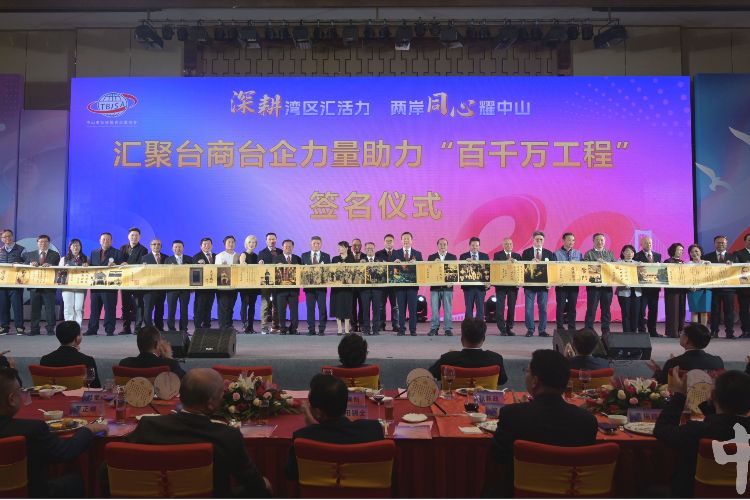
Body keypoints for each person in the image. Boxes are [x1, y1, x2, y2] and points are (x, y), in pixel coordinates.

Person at [121, 368, 271, 497]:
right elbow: (255, 485)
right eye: (221, 393)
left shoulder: (147, 426)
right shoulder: (228, 437)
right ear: (211, 403)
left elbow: (113, 466)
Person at [488, 350, 597, 498]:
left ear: (535, 381)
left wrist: (520, 409)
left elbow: (498, 456)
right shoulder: (587, 421)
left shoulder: (512, 414)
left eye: (527, 371)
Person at [0, 366, 107, 497]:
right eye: (20, 392)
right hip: (33, 494)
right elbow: (66, 451)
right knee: (78, 481)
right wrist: (88, 430)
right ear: (11, 399)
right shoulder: (32, 430)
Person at [654, 368, 750, 498]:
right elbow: (724, 420)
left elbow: (662, 430)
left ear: (713, 395)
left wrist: (680, 395)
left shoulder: (698, 431)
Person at [285, 374, 384, 481]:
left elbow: (291, 474)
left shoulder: (302, 438)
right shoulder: (374, 430)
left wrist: (312, 428)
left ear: (318, 412)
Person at [428, 318, 508, 384]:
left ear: (462, 339)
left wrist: (452, 355)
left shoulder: (448, 359)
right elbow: (502, 381)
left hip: (454, 399)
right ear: (483, 339)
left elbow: (429, 376)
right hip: (484, 399)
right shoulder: (495, 359)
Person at [646, 322, 724, 384]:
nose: (680, 335)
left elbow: (661, 384)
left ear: (686, 339)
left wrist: (657, 371)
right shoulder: (717, 361)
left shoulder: (674, 363)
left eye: (682, 333)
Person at [40, 320, 101, 388]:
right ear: (77, 338)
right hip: (79, 394)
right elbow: (96, 388)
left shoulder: (45, 360)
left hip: (55, 394)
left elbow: (43, 388)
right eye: (80, 333)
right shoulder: (87, 361)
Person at [84, 232, 120, 337]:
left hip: (110, 286)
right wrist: (86, 264)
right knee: (94, 309)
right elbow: (91, 266)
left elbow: (122, 267)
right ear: (100, 241)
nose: (105, 241)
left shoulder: (117, 253)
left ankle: (109, 330)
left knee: (109, 309)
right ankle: (92, 329)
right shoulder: (94, 252)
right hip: (96, 285)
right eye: (103, 239)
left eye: (108, 239)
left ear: (111, 241)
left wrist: (116, 265)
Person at [23, 235, 60, 336]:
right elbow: (24, 266)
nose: (43, 244)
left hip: (49, 286)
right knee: (35, 309)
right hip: (34, 286)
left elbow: (58, 267)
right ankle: (34, 329)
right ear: (37, 243)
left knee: (50, 308)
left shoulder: (55, 254)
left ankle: (50, 329)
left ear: (49, 243)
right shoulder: (30, 254)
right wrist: (30, 264)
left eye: (45, 242)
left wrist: (51, 266)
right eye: (40, 242)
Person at [521, 231, 556, 337]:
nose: (539, 241)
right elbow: (522, 268)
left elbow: (552, 270)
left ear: (543, 241)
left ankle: (542, 330)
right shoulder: (526, 252)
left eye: (541, 239)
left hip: (543, 285)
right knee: (528, 308)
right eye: (537, 239)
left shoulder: (549, 253)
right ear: (533, 240)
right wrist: (529, 263)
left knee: (543, 308)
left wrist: (551, 283)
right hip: (529, 285)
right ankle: (530, 329)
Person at [118, 326, 186, 379]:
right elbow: (186, 381)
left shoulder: (124, 364)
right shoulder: (170, 365)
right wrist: (169, 358)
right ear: (156, 345)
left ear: (138, 344)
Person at [703, 235, 736, 339]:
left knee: (729, 312)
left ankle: (729, 332)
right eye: (718, 242)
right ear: (714, 244)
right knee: (714, 312)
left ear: (726, 244)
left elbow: (738, 273)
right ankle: (714, 331)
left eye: (723, 242)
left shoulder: (733, 257)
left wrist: (732, 266)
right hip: (714, 289)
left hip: (729, 289)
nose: (721, 244)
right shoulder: (707, 257)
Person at [583, 233, 615, 336]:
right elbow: (585, 269)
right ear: (593, 241)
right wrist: (596, 264)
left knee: (606, 310)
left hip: (607, 286)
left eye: (602, 240)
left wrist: (607, 264)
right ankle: (588, 330)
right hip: (593, 286)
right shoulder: (589, 253)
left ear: (604, 242)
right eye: (597, 240)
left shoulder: (610, 254)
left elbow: (615, 268)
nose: (599, 242)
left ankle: (606, 330)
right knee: (591, 309)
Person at [118, 227, 148, 335]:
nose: (134, 237)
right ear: (128, 236)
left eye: (136, 235)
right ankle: (126, 328)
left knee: (138, 305)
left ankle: (137, 328)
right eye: (132, 235)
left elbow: (141, 264)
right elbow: (119, 261)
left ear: (139, 237)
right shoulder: (122, 248)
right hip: (125, 280)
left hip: (137, 280)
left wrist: (128, 264)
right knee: (125, 305)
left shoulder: (143, 249)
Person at [394, 231, 423, 336]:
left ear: (411, 240)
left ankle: (413, 330)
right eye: (404, 239)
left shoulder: (418, 254)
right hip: (400, 286)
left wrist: (417, 263)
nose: (406, 240)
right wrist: (394, 263)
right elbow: (392, 270)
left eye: (408, 238)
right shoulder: (395, 253)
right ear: (401, 241)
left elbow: (422, 269)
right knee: (401, 309)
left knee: (412, 309)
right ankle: (401, 329)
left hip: (412, 286)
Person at [301, 236, 330, 336]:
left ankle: (322, 329)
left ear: (321, 244)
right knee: (310, 309)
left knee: (322, 309)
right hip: (309, 288)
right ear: (310, 244)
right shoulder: (304, 256)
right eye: (314, 243)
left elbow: (328, 271)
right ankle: (311, 329)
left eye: (318, 243)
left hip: (321, 288)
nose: (316, 245)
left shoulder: (326, 256)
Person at [554, 232, 583, 332]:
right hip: (561, 285)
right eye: (569, 240)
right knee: (560, 307)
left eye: (573, 240)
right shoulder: (556, 254)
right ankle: (560, 327)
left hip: (573, 285)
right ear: (563, 240)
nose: (571, 242)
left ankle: (572, 327)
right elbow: (553, 269)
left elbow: (582, 268)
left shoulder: (578, 254)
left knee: (572, 307)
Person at [428, 238, 457, 336]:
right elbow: (428, 272)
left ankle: (447, 329)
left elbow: (455, 272)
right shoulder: (431, 257)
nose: (442, 246)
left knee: (448, 309)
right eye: (440, 244)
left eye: (444, 244)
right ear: (437, 245)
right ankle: (434, 328)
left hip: (447, 288)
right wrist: (433, 264)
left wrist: (452, 282)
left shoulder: (452, 257)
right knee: (434, 309)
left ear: (447, 246)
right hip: (435, 288)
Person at [634, 236, 662, 337]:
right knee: (641, 311)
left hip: (654, 288)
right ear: (641, 244)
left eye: (650, 242)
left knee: (653, 310)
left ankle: (653, 331)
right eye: (646, 243)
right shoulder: (636, 256)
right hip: (642, 289)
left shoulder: (658, 255)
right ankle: (641, 330)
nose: (648, 244)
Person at [272, 239, 301, 335]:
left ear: (293, 247)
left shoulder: (298, 258)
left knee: (294, 311)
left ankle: (294, 329)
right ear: (282, 247)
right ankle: (282, 329)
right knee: (281, 310)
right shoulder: (277, 259)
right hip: (281, 290)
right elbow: (273, 273)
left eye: (290, 246)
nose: (288, 248)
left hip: (294, 290)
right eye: (286, 246)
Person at [493, 237, 521, 336]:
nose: (508, 245)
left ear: (512, 245)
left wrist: (519, 282)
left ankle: (509, 327)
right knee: (500, 307)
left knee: (511, 307)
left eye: (510, 244)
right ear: (503, 245)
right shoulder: (497, 255)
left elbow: (520, 270)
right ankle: (502, 328)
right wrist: (507, 261)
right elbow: (495, 269)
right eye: (506, 244)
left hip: (513, 286)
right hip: (501, 286)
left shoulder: (517, 256)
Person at [0, 229, 26, 335]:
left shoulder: (21, 249)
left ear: (12, 236)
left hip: (16, 283)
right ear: (1, 239)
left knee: (17, 306)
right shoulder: (0, 250)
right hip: (2, 283)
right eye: (4, 237)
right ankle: (4, 327)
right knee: (3, 306)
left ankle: (19, 327)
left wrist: (20, 264)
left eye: (9, 236)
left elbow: (28, 262)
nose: (7, 238)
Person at [165, 240, 193, 332]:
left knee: (184, 309)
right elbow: (164, 275)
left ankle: (184, 329)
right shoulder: (167, 260)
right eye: (176, 247)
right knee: (171, 309)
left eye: (180, 247)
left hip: (185, 288)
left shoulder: (190, 259)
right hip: (172, 289)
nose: (178, 249)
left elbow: (193, 274)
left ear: (183, 248)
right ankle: (171, 329)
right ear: (172, 249)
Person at [459, 237, 490, 320]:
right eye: (473, 245)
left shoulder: (484, 256)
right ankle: (468, 326)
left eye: (477, 245)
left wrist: (488, 283)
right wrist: (465, 263)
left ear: (479, 246)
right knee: (468, 308)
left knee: (480, 309)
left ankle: (479, 326)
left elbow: (488, 271)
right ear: (469, 246)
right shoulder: (463, 256)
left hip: (481, 287)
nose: (475, 247)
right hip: (468, 287)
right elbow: (460, 271)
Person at [60, 239, 88, 327]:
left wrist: (87, 267)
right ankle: (69, 327)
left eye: (77, 245)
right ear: (70, 247)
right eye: (73, 245)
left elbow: (90, 273)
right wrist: (64, 269)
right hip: (67, 286)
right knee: (68, 307)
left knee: (79, 307)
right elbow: (58, 273)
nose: (75, 247)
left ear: (80, 247)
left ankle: (77, 326)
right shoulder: (64, 259)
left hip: (81, 286)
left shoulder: (86, 259)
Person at [141, 239, 167, 331]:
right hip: (149, 289)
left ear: (161, 246)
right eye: (154, 244)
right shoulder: (144, 258)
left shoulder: (166, 258)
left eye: (158, 244)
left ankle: (159, 327)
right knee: (148, 309)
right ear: (150, 246)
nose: (156, 246)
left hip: (162, 288)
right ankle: (149, 328)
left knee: (160, 309)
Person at [375, 234, 399, 332]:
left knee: (395, 306)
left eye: (390, 241)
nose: (389, 243)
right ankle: (381, 324)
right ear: (384, 242)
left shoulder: (398, 253)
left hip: (394, 284)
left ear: (393, 242)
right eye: (387, 241)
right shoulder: (378, 254)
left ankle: (396, 325)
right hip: (382, 284)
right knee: (381, 306)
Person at [215, 236, 240, 330]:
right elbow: (216, 271)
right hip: (222, 286)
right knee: (223, 307)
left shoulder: (238, 256)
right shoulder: (220, 256)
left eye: (233, 242)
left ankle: (229, 325)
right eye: (229, 242)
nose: (231, 244)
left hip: (234, 286)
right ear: (224, 244)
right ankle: (223, 327)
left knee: (230, 307)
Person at [257, 233, 280, 334]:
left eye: (273, 239)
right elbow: (259, 266)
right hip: (265, 283)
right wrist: (260, 263)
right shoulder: (262, 252)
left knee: (277, 305)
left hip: (278, 283)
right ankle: (264, 327)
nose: (272, 241)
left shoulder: (280, 252)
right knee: (265, 305)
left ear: (276, 240)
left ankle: (275, 326)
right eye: (269, 239)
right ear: (266, 241)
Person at [192, 237, 217, 331]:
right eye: (204, 244)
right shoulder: (196, 257)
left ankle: (207, 325)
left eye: (209, 244)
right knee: (199, 307)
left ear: (212, 245)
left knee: (209, 306)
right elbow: (194, 273)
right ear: (201, 246)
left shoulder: (216, 256)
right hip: (201, 287)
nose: (207, 246)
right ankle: (198, 326)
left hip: (213, 286)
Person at [663, 243, 687, 338]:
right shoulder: (667, 261)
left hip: (682, 290)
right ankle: (672, 332)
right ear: (673, 250)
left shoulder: (683, 262)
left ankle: (680, 331)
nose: (681, 252)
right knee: (672, 311)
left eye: (682, 250)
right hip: (672, 290)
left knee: (681, 310)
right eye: (679, 250)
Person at [331, 241, 355, 335]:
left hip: (348, 287)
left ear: (346, 248)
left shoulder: (351, 259)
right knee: (338, 307)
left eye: (341, 247)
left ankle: (347, 329)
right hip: (337, 287)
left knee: (347, 307)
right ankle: (339, 329)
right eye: (338, 247)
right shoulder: (335, 259)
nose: (339, 249)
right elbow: (331, 272)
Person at [616, 244, 641, 333]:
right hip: (623, 292)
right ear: (623, 253)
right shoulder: (618, 263)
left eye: (631, 252)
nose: (629, 253)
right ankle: (626, 333)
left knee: (635, 313)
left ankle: (634, 332)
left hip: (636, 292)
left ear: (634, 253)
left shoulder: (638, 264)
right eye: (627, 251)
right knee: (626, 313)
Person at [359, 242, 383, 336]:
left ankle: (376, 329)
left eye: (371, 248)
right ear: (365, 250)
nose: (370, 250)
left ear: (374, 249)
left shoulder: (380, 260)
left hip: (377, 289)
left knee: (376, 310)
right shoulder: (361, 261)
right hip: (365, 290)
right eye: (368, 248)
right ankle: (366, 329)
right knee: (365, 310)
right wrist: (360, 265)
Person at [238, 235, 260, 334]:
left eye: (253, 242)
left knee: (252, 306)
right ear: (246, 244)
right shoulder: (243, 254)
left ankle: (251, 326)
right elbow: (242, 264)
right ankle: (244, 324)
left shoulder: (256, 256)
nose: (251, 244)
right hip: (245, 284)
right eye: (250, 242)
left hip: (253, 284)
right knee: (244, 304)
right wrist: (243, 263)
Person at [686, 244, 712, 326]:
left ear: (701, 252)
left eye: (696, 251)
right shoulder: (687, 264)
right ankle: (695, 330)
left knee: (704, 312)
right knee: (694, 312)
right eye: (692, 252)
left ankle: (704, 330)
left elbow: (711, 275)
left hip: (705, 290)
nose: (694, 253)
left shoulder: (707, 263)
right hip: (693, 290)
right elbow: (685, 278)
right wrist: (689, 287)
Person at [735, 232, 750, 338]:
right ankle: (746, 331)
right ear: (745, 241)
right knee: (744, 311)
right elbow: (735, 270)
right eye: (749, 240)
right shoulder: (738, 253)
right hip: (744, 288)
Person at [350, 238, 364, 333]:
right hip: (351, 286)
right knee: (352, 307)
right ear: (351, 247)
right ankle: (354, 326)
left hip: (363, 286)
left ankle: (362, 325)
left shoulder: (365, 256)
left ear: (361, 246)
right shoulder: (348, 257)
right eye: (354, 245)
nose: (356, 247)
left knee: (363, 306)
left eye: (358, 245)